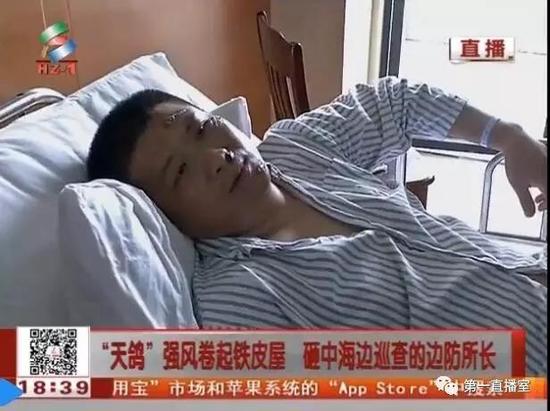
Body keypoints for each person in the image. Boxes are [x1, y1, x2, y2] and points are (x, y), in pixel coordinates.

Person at [87, 77, 547, 375]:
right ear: (167, 216)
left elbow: (393, 102)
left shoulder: (297, 148)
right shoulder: (239, 299)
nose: (216, 157)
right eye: (181, 172)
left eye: (203, 129)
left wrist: (508, 137)